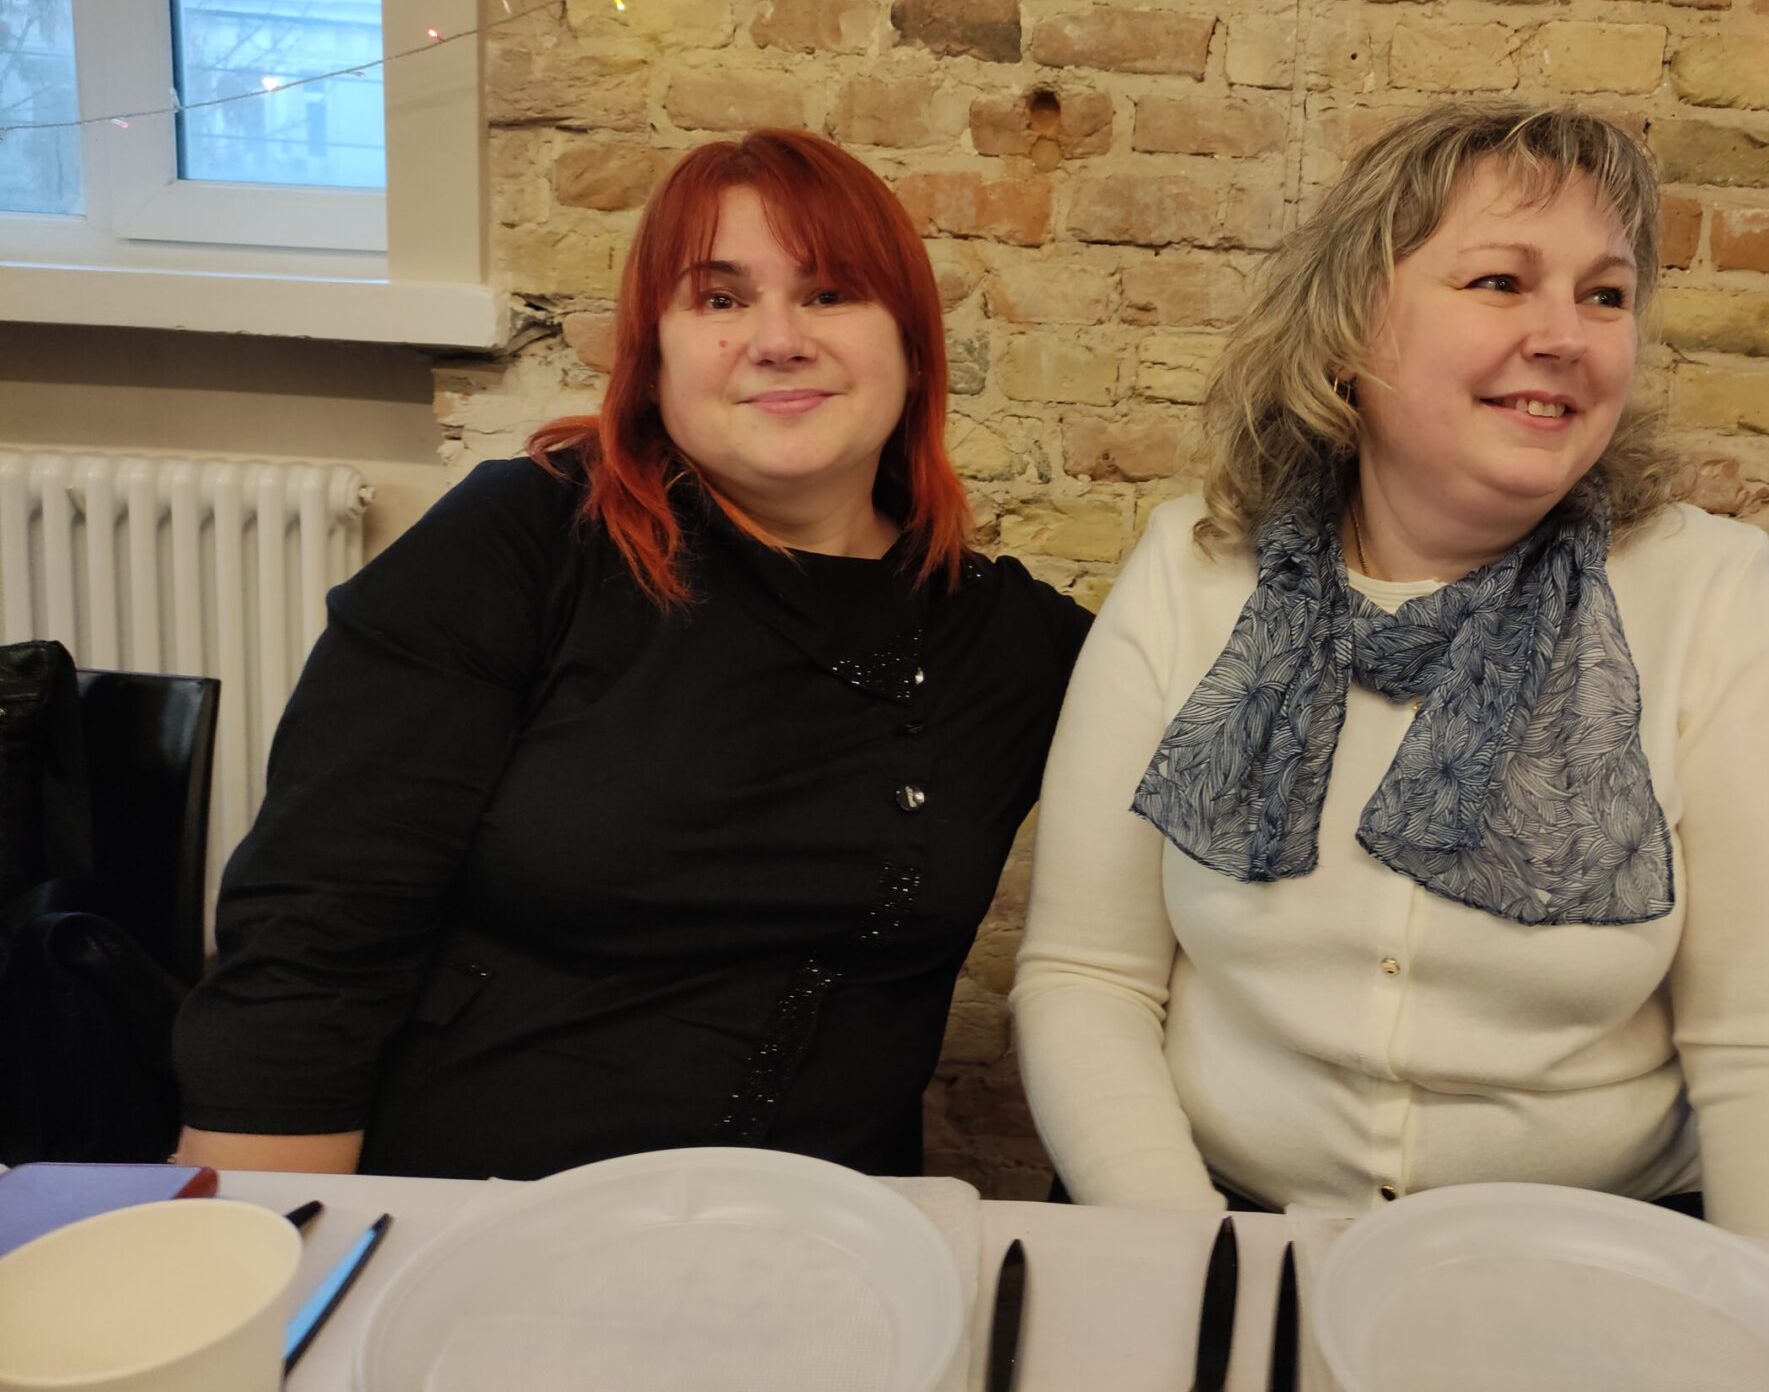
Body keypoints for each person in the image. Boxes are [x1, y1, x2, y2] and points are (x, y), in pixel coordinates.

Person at [1011, 104, 1769, 1243]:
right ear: (1346, 332)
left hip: (1586, 1258)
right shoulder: (1192, 572)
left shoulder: (1704, 592)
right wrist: (1194, 1259)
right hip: (1217, 1228)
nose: (1566, 333)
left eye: (1605, 294)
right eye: (1501, 282)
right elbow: (1089, 975)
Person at [174, 130, 1092, 1181]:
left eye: (832, 293)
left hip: (827, 1248)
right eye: (719, 299)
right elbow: (315, 931)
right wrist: (278, 1257)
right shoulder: (527, 542)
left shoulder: (1013, 642)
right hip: (481, 1211)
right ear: (651, 356)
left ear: (914, 345)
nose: (778, 338)